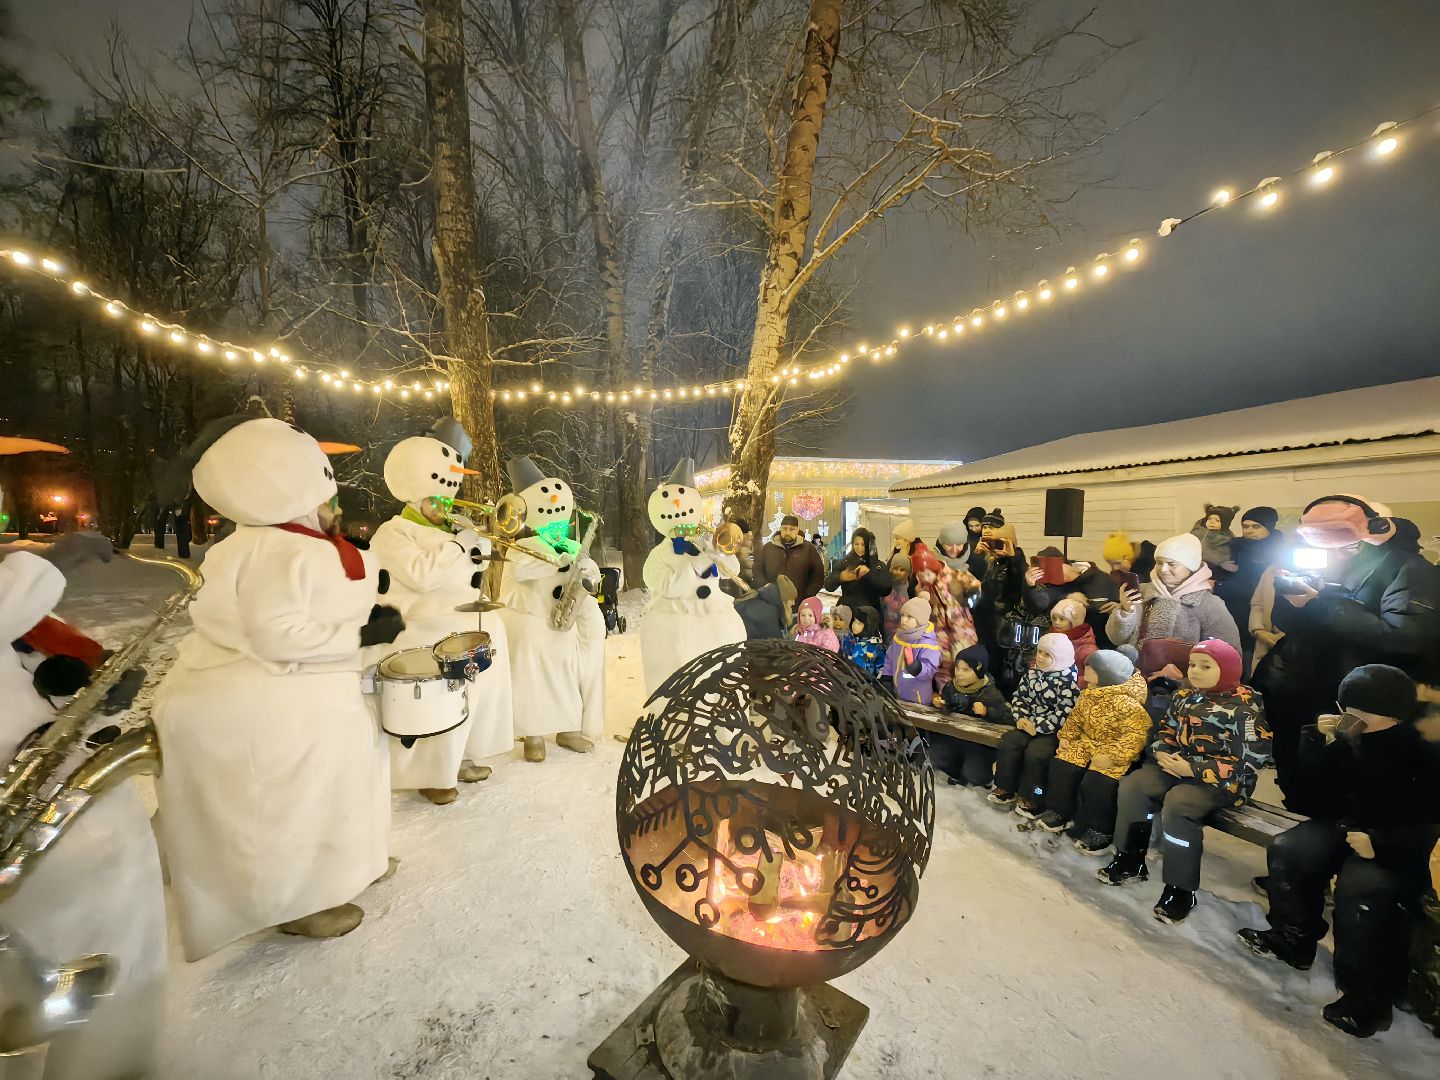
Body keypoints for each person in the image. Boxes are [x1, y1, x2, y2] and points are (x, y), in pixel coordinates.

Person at [152, 418, 396, 958]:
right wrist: (361, 634)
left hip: (304, 690)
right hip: (267, 700)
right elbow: (280, 636)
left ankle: (350, 865)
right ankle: (296, 901)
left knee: (347, 771)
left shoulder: (277, 541)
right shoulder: (272, 551)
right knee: (296, 797)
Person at [1, 535, 166, 1077]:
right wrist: (41, 566)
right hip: (30, 835)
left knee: (115, 944)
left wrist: (91, 697)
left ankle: (112, 1058)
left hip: (72, 805)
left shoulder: (29, 623)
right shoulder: (13, 602)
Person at [1239, 665, 1440, 1038]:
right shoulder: (1347, 741)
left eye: (1359, 711)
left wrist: (1379, 842)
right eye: (1346, 708)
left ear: (1390, 713)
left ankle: (1366, 999)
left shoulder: (1422, 754)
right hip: (1341, 827)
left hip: (1394, 846)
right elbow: (1305, 797)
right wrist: (1314, 740)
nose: (1349, 717)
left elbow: (1429, 823)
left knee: (1361, 892)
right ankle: (1293, 937)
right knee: (1292, 848)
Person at [1254, 494, 1440, 805]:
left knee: (1351, 794)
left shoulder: (1409, 570)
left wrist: (1326, 604)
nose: (1333, 553)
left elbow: (1407, 638)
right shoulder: (1332, 565)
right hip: (1303, 696)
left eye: (1341, 544)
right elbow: (1291, 625)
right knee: (1302, 782)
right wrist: (1295, 601)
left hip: (1361, 707)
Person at [367, 428, 510, 805]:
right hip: (421, 626)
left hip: (461, 621)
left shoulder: (455, 529)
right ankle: (431, 773)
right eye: (435, 500)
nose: (444, 506)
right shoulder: (393, 532)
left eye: (447, 499)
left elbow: (471, 578)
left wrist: (478, 550)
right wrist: (458, 546)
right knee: (443, 695)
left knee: (477, 679)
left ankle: (460, 754)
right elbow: (423, 577)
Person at [1099, 639, 1270, 924]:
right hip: (1176, 767)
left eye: (1206, 666)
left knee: (1179, 804)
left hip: (1220, 781)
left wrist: (1193, 768)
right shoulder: (1186, 696)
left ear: (1227, 670)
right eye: (1192, 665)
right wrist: (1163, 754)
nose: (1196, 671)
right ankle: (1131, 857)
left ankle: (1180, 888)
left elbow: (1252, 759)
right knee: (1135, 786)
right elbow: (1165, 732)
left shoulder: (1244, 710)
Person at [496, 456, 596, 762]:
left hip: (560, 622)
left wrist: (588, 570)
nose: (555, 520)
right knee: (532, 679)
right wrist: (558, 557)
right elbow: (521, 571)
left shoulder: (569, 542)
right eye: (548, 513)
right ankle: (533, 735)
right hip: (531, 622)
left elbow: (588, 569)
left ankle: (567, 728)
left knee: (566, 674)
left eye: (559, 514)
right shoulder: (521, 545)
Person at [640, 459, 746, 694]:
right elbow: (669, 587)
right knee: (681, 676)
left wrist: (722, 549)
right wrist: (702, 560)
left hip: (715, 617)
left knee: (721, 675)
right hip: (678, 622)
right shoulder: (658, 556)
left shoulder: (705, 541)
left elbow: (733, 569)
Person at [1028, 650, 1150, 854]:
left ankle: (1100, 829)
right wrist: (1067, 736)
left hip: (1113, 751)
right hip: (1088, 743)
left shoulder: (1128, 703)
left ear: (1106, 673)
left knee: (1098, 782)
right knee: (1062, 765)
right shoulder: (1091, 693)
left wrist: (1113, 757)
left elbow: (1136, 735)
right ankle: (1060, 811)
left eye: (1091, 669)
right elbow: (1075, 719)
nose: (1086, 672)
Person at [1103, 532, 1240, 683]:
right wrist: (1125, 610)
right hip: (1135, 683)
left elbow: (1228, 658)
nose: (1163, 570)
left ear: (1190, 566)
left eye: (1172, 564)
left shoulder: (1209, 604)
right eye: (1159, 562)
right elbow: (1116, 638)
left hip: (1183, 693)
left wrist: (1185, 679)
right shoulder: (1142, 592)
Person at [986, 633, 1081, 813]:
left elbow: (1063, 714)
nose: (1041, 657)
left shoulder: (1068, 685)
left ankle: (1035, 796)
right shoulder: (1032, 675)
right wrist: (1021, 717)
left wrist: (1037, 725)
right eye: (1040, 652)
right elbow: (1020, 698)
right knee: (1009, 742)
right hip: (1027, 724)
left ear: (1060, 658)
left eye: (1047, 655)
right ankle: (1005, 787)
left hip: (1053, 732)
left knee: (1037, 755)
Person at [1215, 506, 1286, 673]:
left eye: (1256, 526)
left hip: (1258, 619)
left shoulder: (1276, 553)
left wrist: (1218, 586)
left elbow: (1252, 586)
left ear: (1269, 528)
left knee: (1250, 665)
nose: (1249, 531)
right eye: (1245, 526)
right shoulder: (1236, 548)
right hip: (1231, 614)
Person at [911, 543, 980, 704]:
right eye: (921, 573)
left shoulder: (954, 576)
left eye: (927, 572)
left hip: (961, 629)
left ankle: (969, 700)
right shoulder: (921, 588)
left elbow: (976, 587)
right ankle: (947, 697)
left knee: (963, 664)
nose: (925, 576)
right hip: (939, 632)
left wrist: (968, 600)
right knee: (942, 664)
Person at [934, 644, 1012, 787]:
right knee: (938, 757)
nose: (959, 673)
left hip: (979, 744)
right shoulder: (951, 687)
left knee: (975, 775)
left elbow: (1007, 716)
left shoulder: (989, 692)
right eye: (957, 668)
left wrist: (987, 711)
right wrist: (943, 705)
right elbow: (950, 706)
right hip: (955, 737)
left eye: (966, 670)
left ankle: (981, 776)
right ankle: (955, 771)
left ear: (979, 671)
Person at [974, 510, 1030, 693]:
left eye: (991, 527)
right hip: (986, 619)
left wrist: (1012, 559)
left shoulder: (1016, 560)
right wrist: (976, 557)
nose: (986, 531)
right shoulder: (988, 559)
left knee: (1003, 664)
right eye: (984, 527)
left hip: (1005, 622)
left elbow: (1016, 590)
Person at [754, 515, 825, 610]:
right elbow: (758, 571)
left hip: (799, 605)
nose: (787, 532)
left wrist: (807, 596)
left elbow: (818, 575)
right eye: (784, 529)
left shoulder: (808, 549)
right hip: (772, 605)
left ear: (797, 530)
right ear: (780, 529)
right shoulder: (768, 548)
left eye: (791, 529)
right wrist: (764, 591)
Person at [883, 596, 941, 704]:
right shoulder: (899, 637)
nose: (904, 620)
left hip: (918, 698)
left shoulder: (926, 643)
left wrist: (916, 666)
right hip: (898, 694)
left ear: (920, 621)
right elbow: (890, 659)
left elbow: (930, 669)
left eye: (909, 617)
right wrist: (887, 678)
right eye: (903, 615)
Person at [825, 528, 892, 617]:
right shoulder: (845, 563)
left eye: (863, 545)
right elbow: (828, 586)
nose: (859, 548)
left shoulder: (878, 565)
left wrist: (868, 574)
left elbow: (886, 589)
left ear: (869, 546)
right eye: (856, 544)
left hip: (869, 614)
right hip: (846, 613)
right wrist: (841, 577)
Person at [735, 575, 796, 641]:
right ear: (785, 600)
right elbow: (776, 645)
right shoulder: (769, 613)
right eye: (792, 599)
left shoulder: (756, 597)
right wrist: (790, 636)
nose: (794, 603)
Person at [1048, 597, 1096, 673]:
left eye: (1062, 619)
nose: (1056, 622)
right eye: (1054, 618)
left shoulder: (1086, 649)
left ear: (1075, 623)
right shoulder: (1049, 638)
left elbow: (1090, 677)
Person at [1190, 504, 1239, 576]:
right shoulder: (1199, 531)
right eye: (1209, 519)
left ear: (1224, 523)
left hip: (1215, 568)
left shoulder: (1226, 537)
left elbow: (1223, 554)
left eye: (1217, 520)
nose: (1212, 522)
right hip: (1196, 566)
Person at [841, 605, 886, 678]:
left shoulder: (873, 646)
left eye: (859, 623)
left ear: (869, 625)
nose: (854, 625)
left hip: (865, 686)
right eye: (855, 620)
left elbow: (875, 672)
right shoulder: (849, 639)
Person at [719, 517, 755, 599]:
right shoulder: (740, 549)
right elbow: (748, 567)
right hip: (736, 584)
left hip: (735, 584)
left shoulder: (736, 547)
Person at [881, 552, 911, 644]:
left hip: (906, 633)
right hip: (885, 633)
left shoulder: (911, 588)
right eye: (895, 569)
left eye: (902, 570)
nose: (898, 572)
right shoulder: (884, 585)